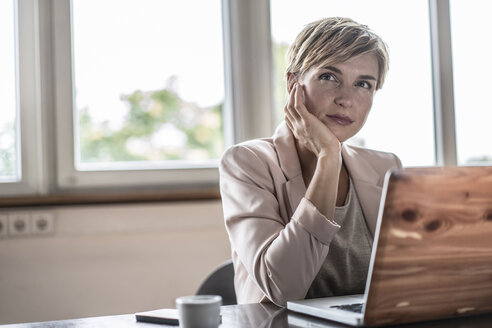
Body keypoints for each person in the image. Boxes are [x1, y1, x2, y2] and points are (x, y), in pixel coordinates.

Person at [219, 17, 402, 307]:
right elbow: (284, 289)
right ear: (294, 83)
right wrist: (328, 158)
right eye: (329, 76)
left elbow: (408, 279)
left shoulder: (386, 168)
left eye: (364, 84)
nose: (346, 99)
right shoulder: (247, 163)